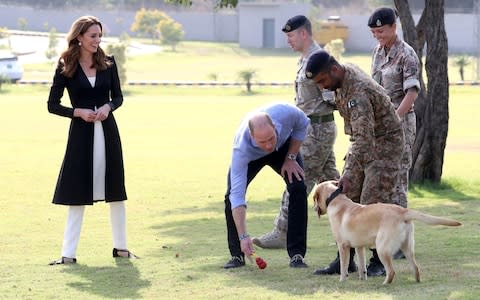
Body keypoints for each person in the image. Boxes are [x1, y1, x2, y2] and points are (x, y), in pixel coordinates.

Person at [304, 50, 405, 276]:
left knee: (373, 202)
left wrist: (349, 171)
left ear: (335, 70)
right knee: (349, 198)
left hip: (385, 145)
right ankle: (345, 260)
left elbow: (365, 138)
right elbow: (361, 140)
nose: (322, 87)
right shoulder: (342, 78)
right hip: (364, 142)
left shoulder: (356, 93)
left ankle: (379, 261)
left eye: (323, 81)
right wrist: (349, 173)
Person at [47, 15, 136, 265]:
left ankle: (121, 248)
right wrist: (78, 112)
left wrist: (108, 107)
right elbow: (52, 105)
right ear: (79, 37)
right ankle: (68, 255)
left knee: (116, 192)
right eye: (93, 36)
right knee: (77, 193)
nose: (98, 40)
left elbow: (118, 97)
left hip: (108, 132)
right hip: (81, 136)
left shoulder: (108, 62)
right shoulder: (65, 65)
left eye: (99, 36)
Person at [252, 15, 339, 249]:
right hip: (309, 128)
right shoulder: (304, 59)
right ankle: (363, 219)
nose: (288, 40)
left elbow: (332, 95)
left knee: (297, 178)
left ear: (303, 34)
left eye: (291, 35)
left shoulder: (319, 60)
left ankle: (282, 231)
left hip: (317, 128)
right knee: (334, 182)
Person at [223, 102, 310, 269]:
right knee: (230, 197)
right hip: (252, 157)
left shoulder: (287, 113)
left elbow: (302, 124)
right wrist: (243, 236)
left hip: (283, 148)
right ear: (252, 136)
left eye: (271, 138)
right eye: (263, 141)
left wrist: (290, 157)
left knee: (298, 187)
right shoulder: (241, 150)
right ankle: (237, 255)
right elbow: (237, 197)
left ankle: (297, 255)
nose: (268, 146)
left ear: (275, 126)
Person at [367, 7, 421, 271]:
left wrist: (394, 120)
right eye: (374, 32)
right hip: (381, 127)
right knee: (385, 180)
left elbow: (411, 93)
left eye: (381, 31)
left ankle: (400, 242)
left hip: (400, 125)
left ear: (393, 27)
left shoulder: (406, 54)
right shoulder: (378, 53)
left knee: (399, 179)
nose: (378, 36)